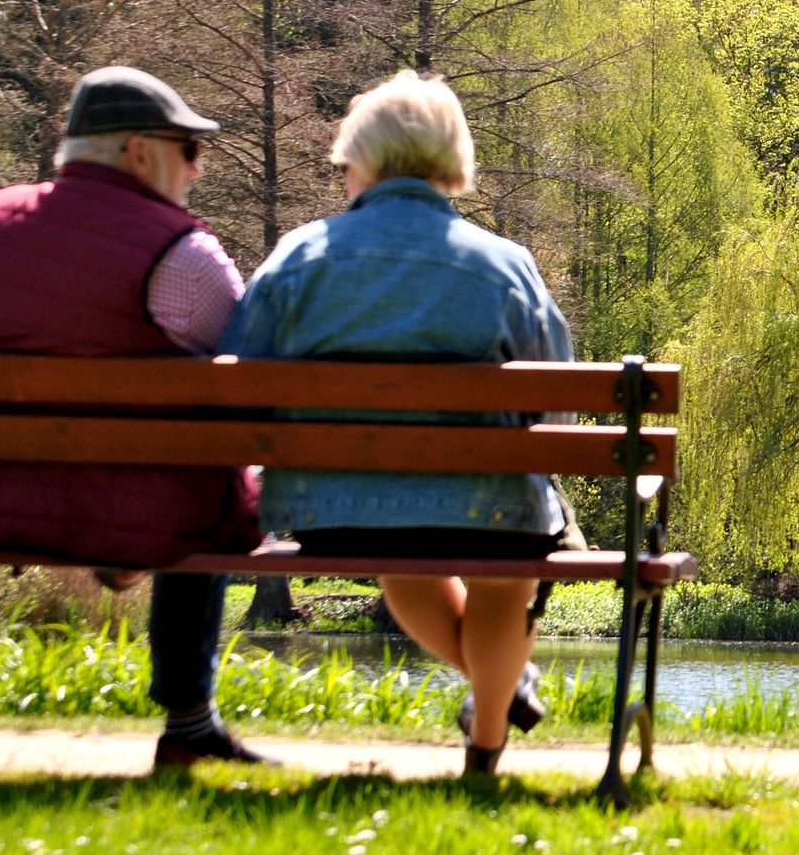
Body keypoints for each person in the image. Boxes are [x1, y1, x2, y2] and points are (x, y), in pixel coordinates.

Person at [0, 65, 270, 768]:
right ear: (138, 152)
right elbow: (249, 375)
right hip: (143, 515)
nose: (197, 169)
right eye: (189, 149)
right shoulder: (182, 253)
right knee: (208, 473)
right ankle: (189, 722)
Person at [220, 70, 571, 775]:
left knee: (401, 552)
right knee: (506, 571)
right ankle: (487, 743)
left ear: (361, 158)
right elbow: (554, 407)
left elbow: (238, 387)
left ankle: (497, 693)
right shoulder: (506, 265)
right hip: (490, 511)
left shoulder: (297, 257)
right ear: (452, 157)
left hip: (334, 513)